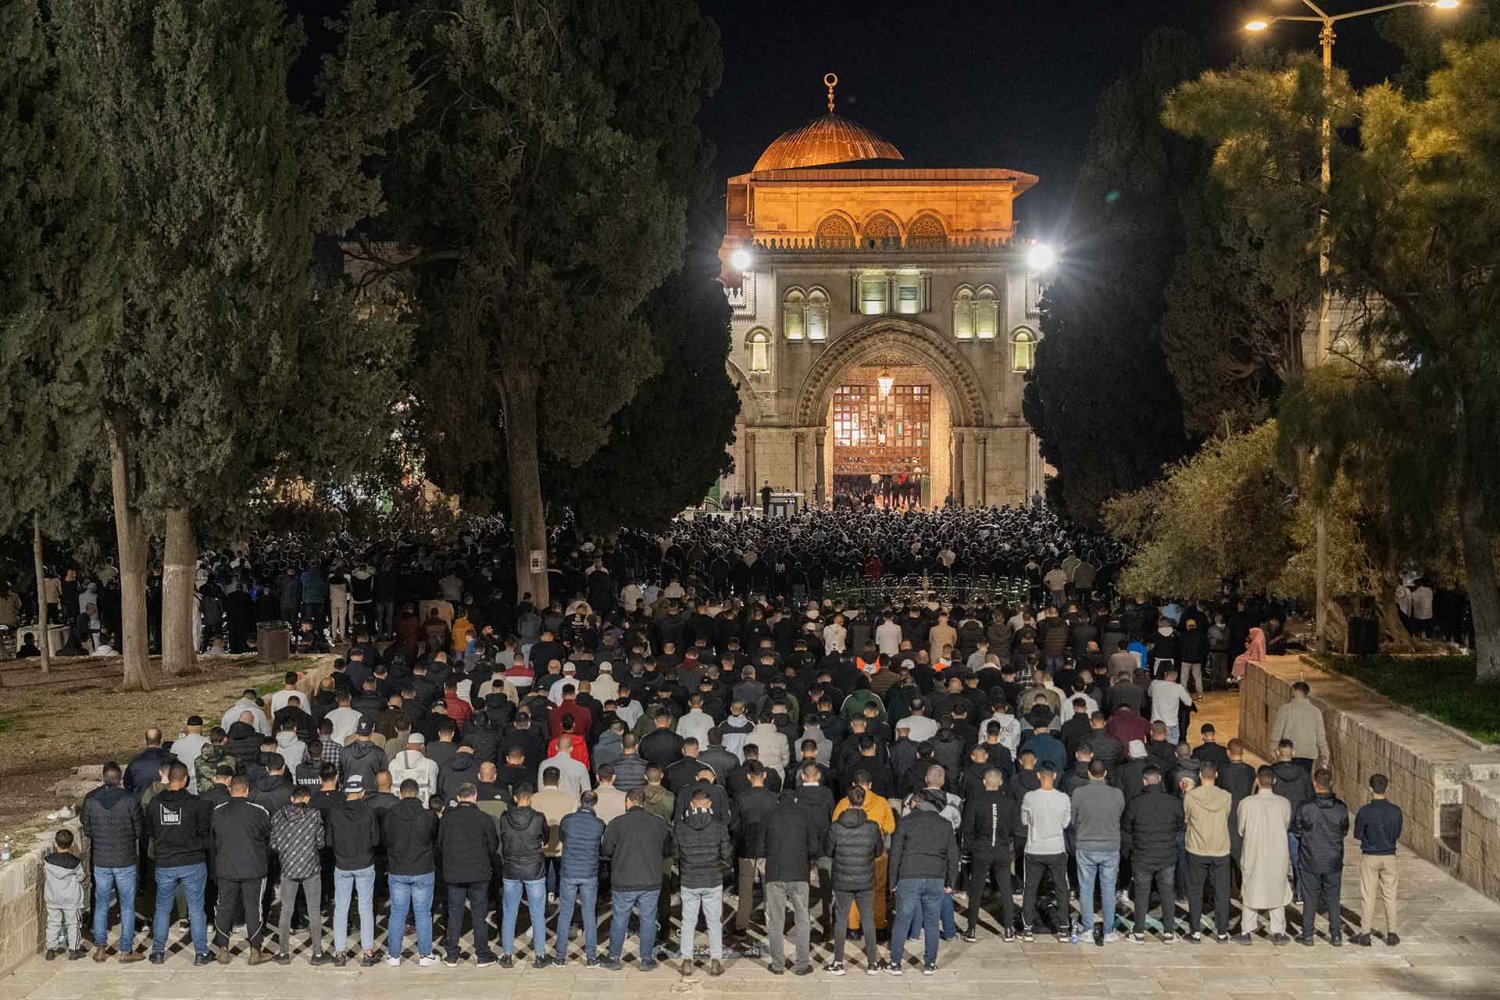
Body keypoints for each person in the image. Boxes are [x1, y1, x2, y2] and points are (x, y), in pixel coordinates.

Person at [146, 762, 214, 964]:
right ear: (185, 779)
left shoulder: (155, 803)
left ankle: (158, 951)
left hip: (165, 861)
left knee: (162, 908)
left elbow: (150, 831)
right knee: (195, 908)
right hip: (192, 861)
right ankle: (201, 953)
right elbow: (204, 831)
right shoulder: (197, 803)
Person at [887, 789, 961, 975]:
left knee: (902, 921)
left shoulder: (905, 822)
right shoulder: (945, 824)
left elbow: (895, 854)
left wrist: (892, 882)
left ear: (916, 804)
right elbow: (953, 855)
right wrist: (950, 882)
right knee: (931, 923)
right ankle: (929, 964)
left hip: (909, 875)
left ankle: (895, 963)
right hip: (936, 877)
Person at [600, 787, 673, 971]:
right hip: (650, 879)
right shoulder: (659, 823)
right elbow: (668, 850)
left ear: (627, 802)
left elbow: (606, 850)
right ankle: (646, 959)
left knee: (619, 918)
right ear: (644, 803)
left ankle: (614, 956)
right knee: (648, 919)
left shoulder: (617, 823)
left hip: (624, 879)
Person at [80, 761, 143, 962]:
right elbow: (139, 830)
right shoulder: (130, 800)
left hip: (101, 860)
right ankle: (125, 950)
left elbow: (87, 829)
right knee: (127, 905)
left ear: (103, 777)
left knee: (101, 904)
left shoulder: (91, 801)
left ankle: (100, 947)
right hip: (125, 859)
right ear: (120, 779)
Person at [210, 775, 272, 964]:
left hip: (227, 866)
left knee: (224, 908)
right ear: (247, 790)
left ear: (230, 789)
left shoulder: (218, 811)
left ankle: (223, 948)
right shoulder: (260, 811)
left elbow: (214, 838)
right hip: (253, 867)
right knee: (254, 908)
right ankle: (255, 950)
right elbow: (267, 836)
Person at [825, 785, 886, 974]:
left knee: (841, 919)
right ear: (863, 801)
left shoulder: (836, 826)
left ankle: (838, 963)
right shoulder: (872, 827)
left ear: (848, 801)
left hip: (842, 879)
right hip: (865, 879)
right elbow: (878, 851)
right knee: (867, 919)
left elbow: (828, 851)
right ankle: (872, 963)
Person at [673, 787, 733, 977]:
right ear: (709, 805)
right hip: (712, 878)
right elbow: (727, 854)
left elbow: (675, 854)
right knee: (714, 922)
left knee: (688, 921)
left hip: (689, 878)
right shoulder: (719, 827)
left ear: (691, 804)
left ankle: (686, 961)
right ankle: (715, 961)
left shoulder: (680, 827)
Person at [439, 782, 500, 966]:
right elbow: (493, 846)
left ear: (458, 798)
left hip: (454, 872)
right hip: (478, 872)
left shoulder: (446, 819)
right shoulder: (484, 818)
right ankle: (482, 953)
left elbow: (440, 844)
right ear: (475, 796)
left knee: (455, 913)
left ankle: (451, 954)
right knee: (478, 914)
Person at [1122, 764, 1184, 942]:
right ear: (1159, 780)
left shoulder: (1135, 803)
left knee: (1141, 893)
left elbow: (1126, 827)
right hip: (1166, 855)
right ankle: (1169, 932)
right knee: (1167, 893)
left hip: (1142, 854)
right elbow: (1180, 826)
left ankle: (1139, 931)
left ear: (1144, 781)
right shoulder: (1173, 802)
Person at [382, 778, 439, 966]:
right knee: (423, 912)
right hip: (422, 869)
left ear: (400, 794)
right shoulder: (429, 816)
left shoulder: (389, 815)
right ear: (419, 794)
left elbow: (385, 840)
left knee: (397, 912)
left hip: (398, 869)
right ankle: (425, 955)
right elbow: (434, 839)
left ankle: (393, 955)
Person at [761, 789, 819, 975]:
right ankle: (802, 964)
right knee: (802, 919)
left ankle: (778, 965)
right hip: (799, 873)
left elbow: (759, 846)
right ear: (795, 799)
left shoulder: (768, 815)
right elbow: (814, 847)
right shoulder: (806, 815)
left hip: (775, 873)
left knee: (776, 920)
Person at [961, 766, 1022, 942]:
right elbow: (1015, 828)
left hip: (982, 849)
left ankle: (971, 929)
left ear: (984, 782)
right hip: (1001, 849)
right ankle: (1009, 929)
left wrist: (974, 847)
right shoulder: (1009, 802)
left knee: (976, 889)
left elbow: (967, 829)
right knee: (1005, 889)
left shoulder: (976, 801)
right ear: (1001, 783)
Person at [270, 785, 328, 965]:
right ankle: (317, 954)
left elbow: (274, 845)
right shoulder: (314, 815)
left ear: (292, 798)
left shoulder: (278, 816)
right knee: (314, 911)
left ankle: (283, 953)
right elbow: (320, 843)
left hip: (288, 869)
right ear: (307, 799)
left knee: (286, 911)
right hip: (311, 869)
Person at [327, 774, 381, 966]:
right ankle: (367, 952)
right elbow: (376, 840)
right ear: (363, 792)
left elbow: (329, 841)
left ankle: (340, 952)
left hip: (342, 865)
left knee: (341, 908)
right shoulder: (369, 811)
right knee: (365, 908)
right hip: (365, 863)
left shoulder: (335, 812)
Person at [1236, 766, 1293, 945]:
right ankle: (1278, 931)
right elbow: (1286, 824)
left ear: (1257, 781)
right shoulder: (1284, 803)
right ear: (1274, 781)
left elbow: (1241, 829)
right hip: (1277, 851)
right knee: (1276, 889)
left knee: (1251, 888)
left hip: (1254, 851)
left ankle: (1246, 930)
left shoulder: (1246, 803)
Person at [1070, 759, 1124, 944]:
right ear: (1105, 773)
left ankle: (1088, 929)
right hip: (1110, 845)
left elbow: (1072, 819)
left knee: (1086, 888)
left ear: (1089, 773)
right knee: (1108, 889)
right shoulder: (1117, 794)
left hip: (1086, 845)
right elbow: (1119, 815)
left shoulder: (1078, 793)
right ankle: (1108, 931)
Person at [1295, 768, 1349, 945]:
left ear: (1314, 784)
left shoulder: (1305, 807)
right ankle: (1336, 935)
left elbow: (1297, 829)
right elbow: (1344, 830)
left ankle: (1308, 934)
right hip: (1333, 859)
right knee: (1333, 899)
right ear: (1331, 783)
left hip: (1310, 858)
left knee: (1310, 897)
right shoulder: (1340, 808)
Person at [499, 783, 549, 968]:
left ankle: (507, 955)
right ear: (531, 798)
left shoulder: (505, 818)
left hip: (511, 868)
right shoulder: (538, 818)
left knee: (509, 913)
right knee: (537, 913)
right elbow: (546, 836)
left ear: (515, 798)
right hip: (534, 869)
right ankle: (539, 955)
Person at [1019, 763, 1071, 943]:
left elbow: (1024, 821)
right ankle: (1064, 928)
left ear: (1039, 776)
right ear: (1054, 776)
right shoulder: (1063, 798)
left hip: (1034, 848)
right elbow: (1065, 823)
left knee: (1030, 888)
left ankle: (1027, 929)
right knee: (1061, 888)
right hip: (1056, 848)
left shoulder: (1029, 797)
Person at [1183, 760, 1233, 942]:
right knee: (1221, 891)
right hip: (1220, 848)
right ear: (1216, 775)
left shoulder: (1191, 796)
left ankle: (1195, 930)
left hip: (1197, 848)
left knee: (1196, 890)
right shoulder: (1226, 796)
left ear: (1200, 776)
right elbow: (1226, 815)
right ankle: (1221, 931)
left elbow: (1186, 818)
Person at [555, 790, 605, 966]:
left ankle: (560, 956)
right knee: (589, 915)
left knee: (565, 913)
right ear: (594, 803)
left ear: (580, 802)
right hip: (589, 872)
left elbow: (562, 838)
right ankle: (591, 957)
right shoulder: (599, 824)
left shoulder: (568, 820)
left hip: (569, 871)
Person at [1354, 772, 1403, 947]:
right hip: (1389, 856)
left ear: (1370, 788)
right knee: (1390, 896)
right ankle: (1392, 933)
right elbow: (1397, 833)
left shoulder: (1365, 811)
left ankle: (1365, 933)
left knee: (1368, 896)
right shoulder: (1396, 811)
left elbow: (1358, 834)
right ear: (1387, 788)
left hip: (1370, 856)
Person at [43, 828, 88, 961]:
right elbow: (81, 877)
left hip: (53, 897)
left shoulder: (47, 860)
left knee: (53, 923)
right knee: (73, 923)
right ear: (71, 844)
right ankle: (74, 950)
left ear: (55, 844)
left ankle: (50, 950)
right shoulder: (75, 862)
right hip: (71, 899)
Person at [1270, 682, 1329, 774]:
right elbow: (1321, 736)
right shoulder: (1316, 712)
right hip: (1308, 753)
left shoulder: (1285, 709)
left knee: (1288, 776)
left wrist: (1273, 748)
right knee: (1304, 778)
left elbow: (1277, 731)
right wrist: (1325, 754)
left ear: (1294, 690)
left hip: (1288, 752)